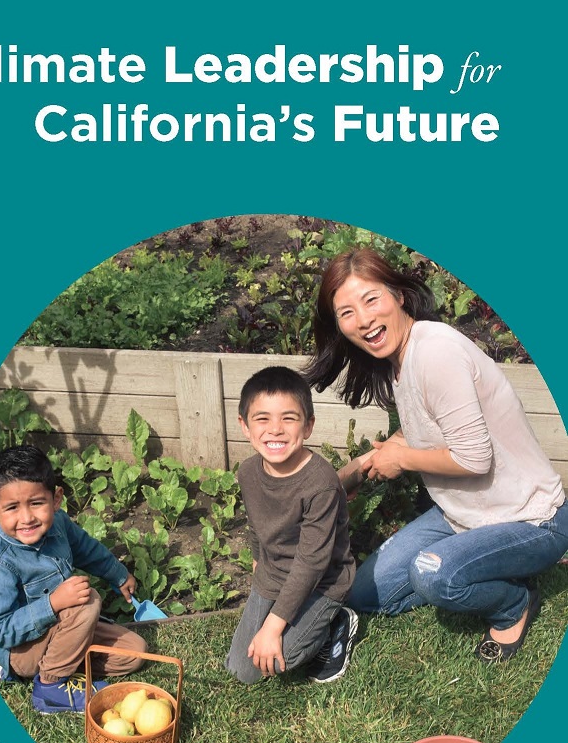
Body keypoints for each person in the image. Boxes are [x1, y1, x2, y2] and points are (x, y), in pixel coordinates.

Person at [306, 247, 568, 661]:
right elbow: (419, 430)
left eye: (371, 300)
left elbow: (474, 458)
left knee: (435, 574)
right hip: (462, 516)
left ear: (399, 296)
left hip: (532, 519)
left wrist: (401, 460)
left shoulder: (435, 352)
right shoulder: (400, 359)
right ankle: (480, 565)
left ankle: (513, 603)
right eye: (347, 313)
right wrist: (349, 476)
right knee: (364, 593)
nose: (364, 319)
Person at [0, 442, 148, 712]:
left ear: (55, 500)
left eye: (36, 503)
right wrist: (53, 603)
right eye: (12, 508)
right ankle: (50, 688)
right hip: (21, 651)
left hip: (61, 632)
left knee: (135, 652)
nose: (26, 518)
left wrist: (119, 575)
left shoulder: (58, 523)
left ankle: (66, 666)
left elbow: (86, 550)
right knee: (86, 600)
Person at [227, 366, 357, 684]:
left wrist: (273, 627)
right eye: (262, 419)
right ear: (244, 425)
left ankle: (335, 622)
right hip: (275, 574)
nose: (275, 430)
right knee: (243, 670)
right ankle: (295, 617)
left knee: (278, 657)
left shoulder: (321, 483)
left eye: (289, 418)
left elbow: (312, 562)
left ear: (308, 425)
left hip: (323, 580)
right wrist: (258, 562)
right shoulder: (248, 472)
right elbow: (256, 524)